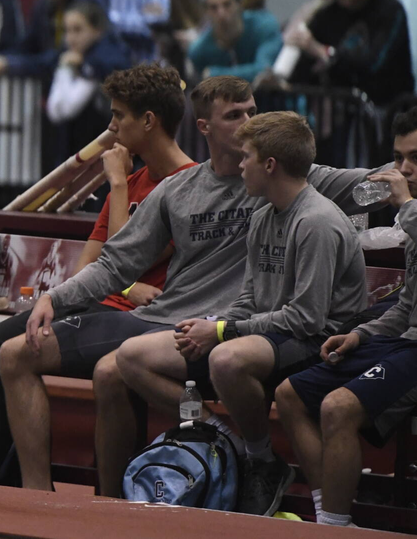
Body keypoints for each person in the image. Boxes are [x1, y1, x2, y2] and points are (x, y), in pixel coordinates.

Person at [7, 76, 377, 493]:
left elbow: (371, 185)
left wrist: (405, 178)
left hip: (232, 330)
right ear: (204, 127)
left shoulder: (285, 176)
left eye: (252, 112)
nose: (248, 122)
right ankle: (62, 505)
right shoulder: (178, 190)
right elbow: (115, 263)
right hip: (166, 318)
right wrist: (55, 298)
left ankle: (218, 450)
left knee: (114, 369)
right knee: (14, 353)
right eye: (235, 115)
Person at [0, 63, 194, 485]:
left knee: (17, 357)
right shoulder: (134, 180)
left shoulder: (186, 185)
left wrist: (114, 186)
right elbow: (89, 269)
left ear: (148, 121)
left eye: (118, 116)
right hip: (95, 303)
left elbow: (123, 256)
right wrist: (120, 286)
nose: (111, 128)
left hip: (139, 323)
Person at [114, 111, 366, 515]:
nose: (239, 165)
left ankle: (261, 458)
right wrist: (211, 323)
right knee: (131, 356)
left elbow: (307, 319)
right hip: (268, 333)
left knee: (227, 358)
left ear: (270, 165)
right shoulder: (263, 214)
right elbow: (249, 298)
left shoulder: (317, 221)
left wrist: (221, 331)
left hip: (321, 341)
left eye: (246, 156)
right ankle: (225, 440)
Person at [276, 105, 417, 528]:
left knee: (338, 407)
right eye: (399, 158)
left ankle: (334, 525)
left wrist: (409, 208)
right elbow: (406, 307)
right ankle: (332, 512)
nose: (404, 169)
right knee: (290, 394)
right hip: (409, 339)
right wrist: (361, 335)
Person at [285, 0, 413, 106]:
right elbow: (303, 71)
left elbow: (373, 65)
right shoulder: (326, 15)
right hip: (343, 116)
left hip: (387, 111)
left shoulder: (390, 11)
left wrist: (321, 51)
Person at [187, 0, 283, 82]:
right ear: (205, 11)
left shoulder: (264, 26)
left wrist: (214, 74)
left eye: (227, 4)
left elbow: (265, 71)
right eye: (213, 7)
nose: (221, 14)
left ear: (239, 3)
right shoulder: (199, 50)